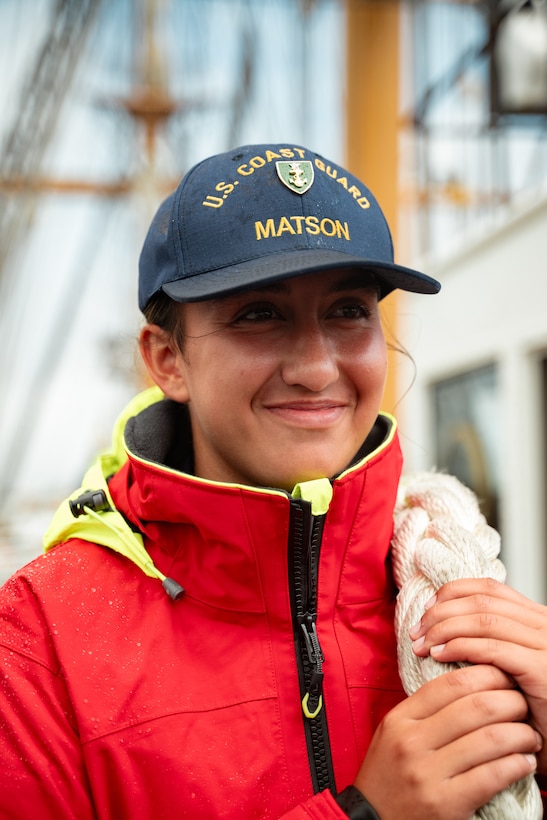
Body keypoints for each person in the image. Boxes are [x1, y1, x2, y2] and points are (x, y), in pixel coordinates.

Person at [0, 142, 546, 820]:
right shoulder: (41, 639)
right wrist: (365, 814)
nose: (317, 368)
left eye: (348, 310)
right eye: (259, 314)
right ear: (167, 359)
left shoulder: (450, 574)